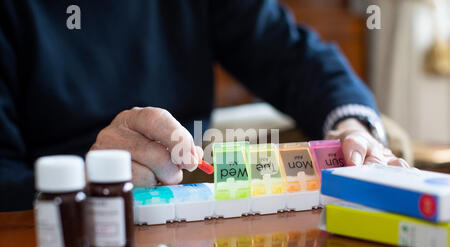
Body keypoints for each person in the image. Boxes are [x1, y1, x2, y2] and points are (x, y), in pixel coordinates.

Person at [0, 0, 408, 212]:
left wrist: (351, 124)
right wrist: (84, 183)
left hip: (193, 222)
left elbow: (292, 56)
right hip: (54, 235)